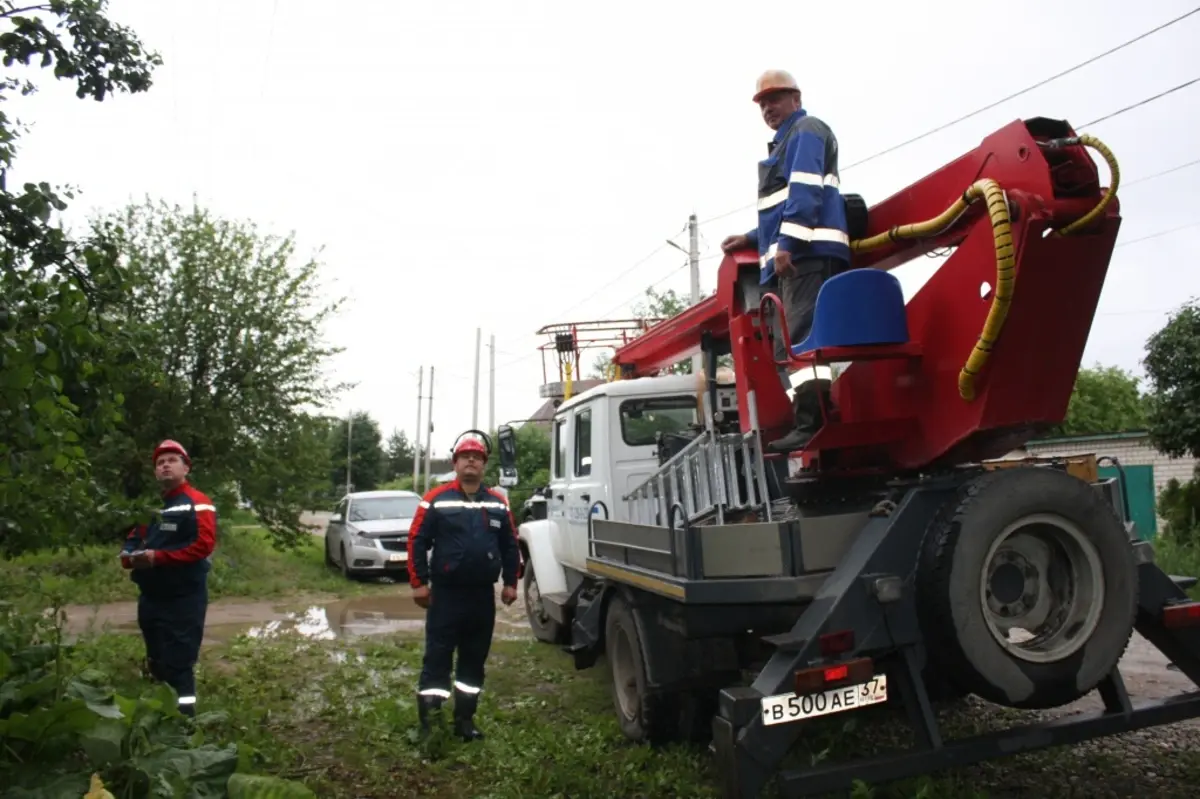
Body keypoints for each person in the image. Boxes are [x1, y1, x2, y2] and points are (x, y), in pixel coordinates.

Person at [721, 69, 851, 453]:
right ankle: (809, 420)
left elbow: (807, 191)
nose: (768, 108)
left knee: (802, 343)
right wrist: (750, 238)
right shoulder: (784, 143)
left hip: (806, 256)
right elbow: (782, 208)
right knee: (789, 347)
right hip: (793, 259)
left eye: (775, 99)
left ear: (795, 97)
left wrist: (788, 244)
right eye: (763, 103)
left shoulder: (807, 130)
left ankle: (813, 423)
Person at [406, 435, 521, 741]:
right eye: (465, 455)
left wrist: (511, 582)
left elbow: (510, 545)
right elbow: (416, 540)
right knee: (438, 657)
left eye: (477, 456)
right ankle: (430, 724)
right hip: (446, 595)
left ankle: (464, 722)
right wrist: (419, 584)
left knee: (473, 659)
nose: (471, 460)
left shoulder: (498, 502)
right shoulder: (436, 499)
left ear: (484, 464)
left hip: (482, 596)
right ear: (455, 463)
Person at [120, 439, 218, 717]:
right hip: (151, 597)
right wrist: (128, 556)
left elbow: (203, 545)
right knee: (157, 658)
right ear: (155, 472)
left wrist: (157, 558)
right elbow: (134, 538)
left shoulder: (199, 503)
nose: (165, 465)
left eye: (172, 460)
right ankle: (161, 712)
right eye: (160, 462)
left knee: (179, 661)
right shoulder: (151, 507)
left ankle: (185, 721)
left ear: (186, 467)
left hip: (184, 598)